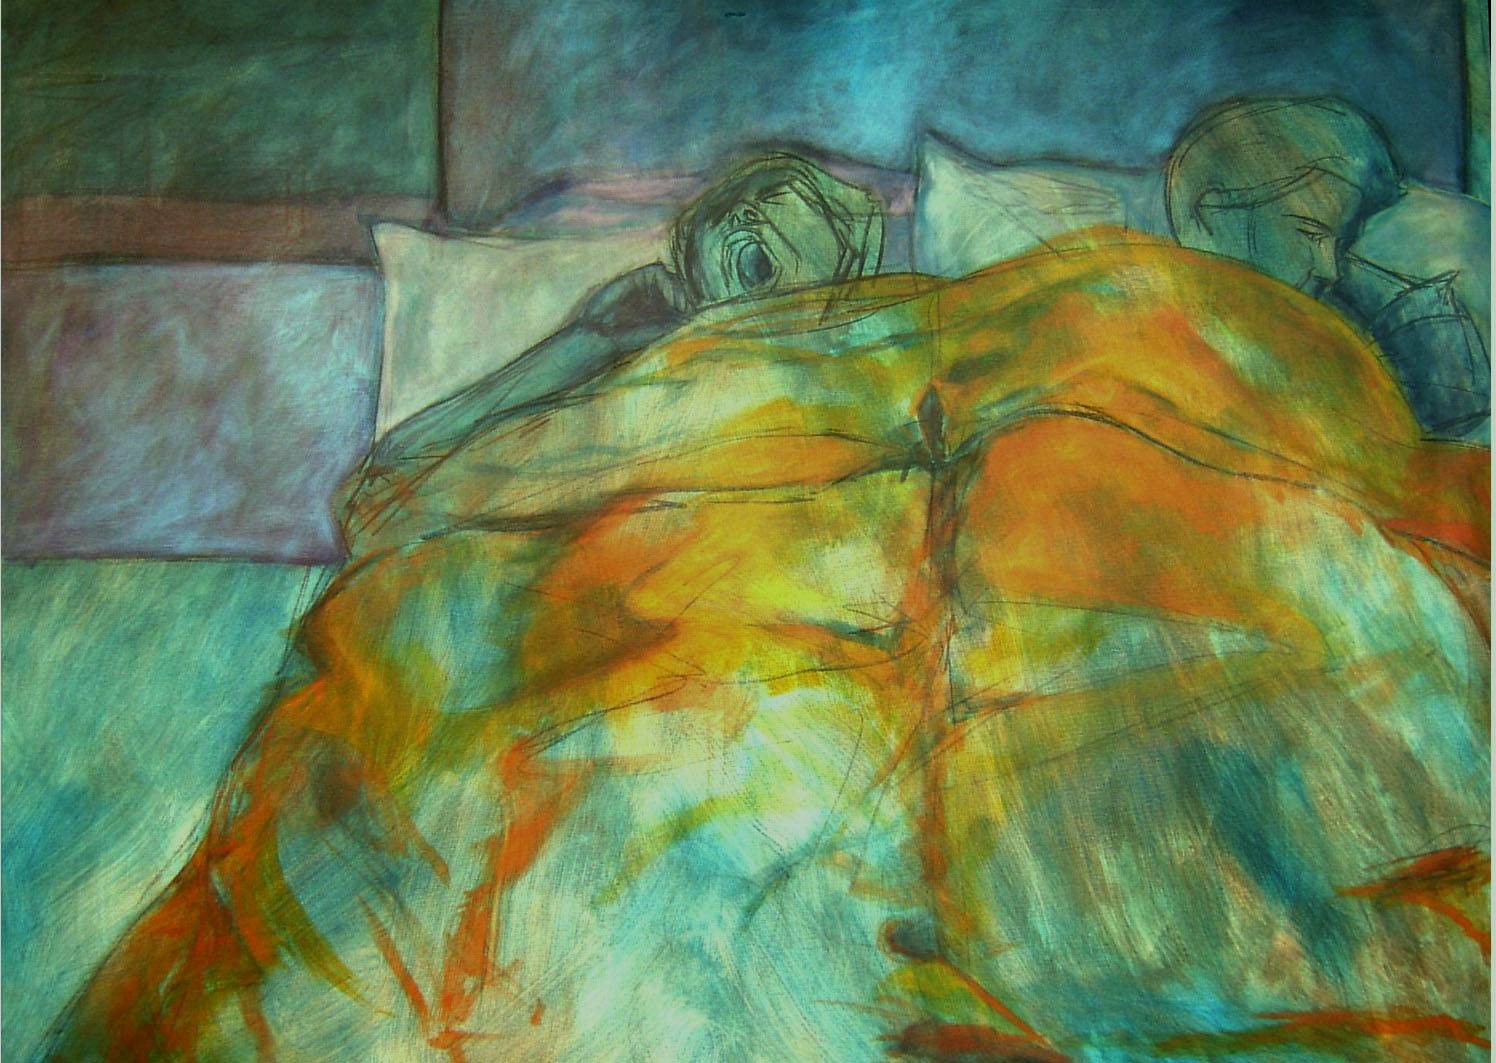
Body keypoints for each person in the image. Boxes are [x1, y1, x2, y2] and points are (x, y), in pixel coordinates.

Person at [368, 153, 885, 466]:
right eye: (749, 207)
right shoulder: (628, 348)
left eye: (767, 259)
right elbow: (398, 464)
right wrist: (588, 338)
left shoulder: (777, 422)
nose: (744, 224)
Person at [1165, 96, 1490, 442]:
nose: (1330, 269)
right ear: (1214, 215)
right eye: (1309, 233)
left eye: (1340, 242)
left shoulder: (1365, 307)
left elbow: (1457, 420)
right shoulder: (1171, 340)